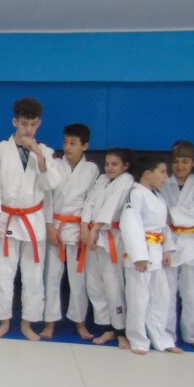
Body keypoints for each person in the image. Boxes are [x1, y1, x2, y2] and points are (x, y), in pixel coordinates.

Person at [0, 98, 62, 341]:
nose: (28, 129)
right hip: (6, 218)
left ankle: (28, 323)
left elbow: (51, 185)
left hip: (33, 220)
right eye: (23, 124)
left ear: (39, 123)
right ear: (14, 122)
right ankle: (3, 322)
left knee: (33, 275)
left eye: (33, 124)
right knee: (3, 272)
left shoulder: (46, 152)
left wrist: (38, 155)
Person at [41, 123, 99, 340]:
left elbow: (91, 201)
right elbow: (46, 196)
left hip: (77, 229)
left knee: (78, 279)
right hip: (55, 225)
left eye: (73, 143)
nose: (67, 147)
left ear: (85, 145)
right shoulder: (55, 165)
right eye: (65, 142)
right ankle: (49, 322)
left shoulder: (91, 169)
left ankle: (80, 322)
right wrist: (49, 226)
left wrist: (85, 226)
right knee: (51, 276)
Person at [120, 155, 182, 355]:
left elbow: (164, 227)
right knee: (138, 299)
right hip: (141, 255)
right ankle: (138, 339)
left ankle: (161, 339)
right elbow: (130, 224)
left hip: (156, 253)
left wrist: (168, 249)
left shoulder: (159, 196)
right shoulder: (135, 194)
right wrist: (139, 256)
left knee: (161, 298)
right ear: (148, 174)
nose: (165, 177)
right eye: (162, 172)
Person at [81, 148, 135, 348]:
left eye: (115, 164)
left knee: (113, 286)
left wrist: (95, 228)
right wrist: (85, 226)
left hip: (111, 236)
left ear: (125, 166)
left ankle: (120, 330)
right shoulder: (102, 179)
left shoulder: (126, 180)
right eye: (107, 164)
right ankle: (106, 327)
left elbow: (112, 206)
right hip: (92, 236)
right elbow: (89, 202)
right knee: (94, 285)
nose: (109, 168)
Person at [162, 140, 194, 349]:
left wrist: (171, 213)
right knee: (167, 292)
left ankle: (191, 334)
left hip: (191, 243)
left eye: (185, 161)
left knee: (192, 292)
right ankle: (167, 334)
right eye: (176, 162)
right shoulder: (163, 183)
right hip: (167, 242)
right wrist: (173, 215)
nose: (180, 166)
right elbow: (158, 213)